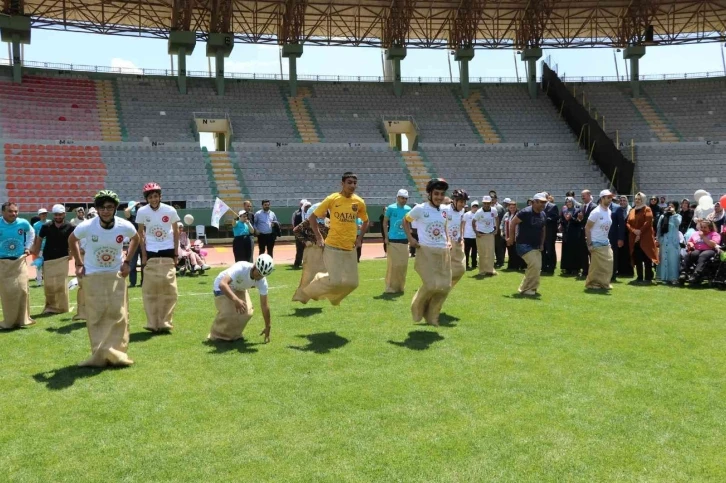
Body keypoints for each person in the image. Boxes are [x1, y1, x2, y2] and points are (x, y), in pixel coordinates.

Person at [68, 190, 139, 367]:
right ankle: (98, 355)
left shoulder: (124, 225)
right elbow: (72, 240)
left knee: (118, 314)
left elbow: (136, 239)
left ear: (115, 208)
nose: (106, 211)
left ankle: (118, 355)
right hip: (92, 274)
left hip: (115, 273)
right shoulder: (87, 225)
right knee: (96, 315)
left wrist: (127, 261)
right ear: (97, 209)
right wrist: (78, 263)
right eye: (102, 207)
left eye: (109, 207)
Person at [303, 172, 369, 306]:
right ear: (342, 184)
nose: (353, 185)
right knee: (335, 281)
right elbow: (312, 217)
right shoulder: (332, 199)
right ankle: (312, 288)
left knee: (353, 283)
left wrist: (359, 238)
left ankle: (333, 297)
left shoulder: (359, 202)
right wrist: (319, 237)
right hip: (332, 246)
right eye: (349, 182)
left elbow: (366, 221)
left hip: (350, 248)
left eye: (355, 183)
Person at [404, 178, 452, 326]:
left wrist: (448, 240)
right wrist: (411, 239)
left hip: (443, 251)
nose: (439, 197)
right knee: (431, 285)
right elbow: (405, 221)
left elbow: (445, 227)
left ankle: (432, 317)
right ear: (429, 194)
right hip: (426, 251)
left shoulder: (445, 210)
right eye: (436, 193)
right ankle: (417, 307)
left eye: (442, 194)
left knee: (445, 286)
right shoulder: (420, 208)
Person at [136, 182, 181, 332]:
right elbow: (140, 234)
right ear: (147, 198)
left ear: (160, 196)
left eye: (156, 196)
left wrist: (176, 252)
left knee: (169, 288)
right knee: (150, 288)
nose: (153, 199)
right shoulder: (142, 212)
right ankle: (152, 322)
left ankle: (165, 322)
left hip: (167, 249)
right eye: (150, 197)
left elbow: (176, 233)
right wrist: (143, 255)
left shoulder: (170, 210)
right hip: (151, 251)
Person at [209, 255, 274, 343]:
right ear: (254, 266)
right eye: (258, 274)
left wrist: (268, 326)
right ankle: (215, 336)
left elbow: (264, 305)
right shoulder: (241, 267)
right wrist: (236, 300)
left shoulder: (262, 281)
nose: (259, 277)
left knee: (247, 313)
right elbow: (223, 284)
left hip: (239, 288)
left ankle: (235, 335)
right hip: (221, 287)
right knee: (229, 313)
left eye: (262, 275)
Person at [30, 204, 74, 315]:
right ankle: (50, 307)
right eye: (56, 215)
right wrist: (36, 253)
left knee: (61, 284)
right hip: (48, 257)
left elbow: (74, 241)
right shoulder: (46, 226)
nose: (58, 217)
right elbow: (39, 239)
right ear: (53, 215)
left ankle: (63, 307)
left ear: (64, 214)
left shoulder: (71, 226)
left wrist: (71, 253)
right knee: (49, 284)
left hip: (63, 257)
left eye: (60, 214)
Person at [0, 202, 36, 330]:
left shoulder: (23, 223)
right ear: (3, 212)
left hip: (19, 261)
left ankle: (23, 320)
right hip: (3, 262)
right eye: (10, 211)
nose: (14, 214)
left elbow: (31, 233)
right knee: (7, 292)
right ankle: (9, 321)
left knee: (22, 290)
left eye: (15, 211)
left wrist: (27, 247)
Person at [507, 192, 547, 295]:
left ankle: (526, 288)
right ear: (534, 202)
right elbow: (513, 223)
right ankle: (529, 289)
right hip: (523, 245)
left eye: (544, 202)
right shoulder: (525, 212)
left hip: (536, 245)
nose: (543, 204)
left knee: (535, 267)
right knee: (535, 265)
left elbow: (543, 229)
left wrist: (542, 243)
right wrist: (511, 238)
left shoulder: (543, 214)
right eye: (541, 202)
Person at [292, 203, 330, 303]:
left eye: (326, 211)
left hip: (324, 251)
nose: (325, 212)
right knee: (309, 275)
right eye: (323, 210)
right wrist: (305, 241)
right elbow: (296, 230)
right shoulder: (309, 221)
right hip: (312, 250)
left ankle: (316, 294)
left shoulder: (328, 222)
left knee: (323, 273)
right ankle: (302, 296)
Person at [584, 190, 615, 290]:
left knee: (608, 264)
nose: (610, 200)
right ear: (602, 198)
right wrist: (589, 244)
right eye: (608, 197)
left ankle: (604, 283)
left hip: (605, 241)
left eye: (611, 198)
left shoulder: (609, 211)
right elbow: (587, 228)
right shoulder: (596, 212)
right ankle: (592, 283)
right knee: (596, 266)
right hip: (596, 241)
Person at [383, 189, 412, 293]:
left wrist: (410, 236)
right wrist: (386, 237)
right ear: (397, 197)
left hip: (404, 240)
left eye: (406, 198)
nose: (404, 200)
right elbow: (385, 222)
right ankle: (390, 287)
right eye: (402, 198)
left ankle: (400, 287)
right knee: (393, 265)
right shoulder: (391, 208)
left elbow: (408, 223)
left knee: (403, 265)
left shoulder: (408, 209)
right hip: (393, 240)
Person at [627, 192, 659, 284]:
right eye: (636, 199)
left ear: (643, 200)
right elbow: (628, 223)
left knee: (647, 256)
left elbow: (648, 222)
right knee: (637, 257)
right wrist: (634, 231)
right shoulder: (632, 210)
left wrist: (639, 232)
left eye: (639, 199)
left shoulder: (647, 209)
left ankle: (648, 277)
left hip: (645, 238)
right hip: (634, 238)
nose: (637, 201)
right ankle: (639, 277)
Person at [683, 219, 721, 284]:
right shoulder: (696, 233)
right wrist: (690, 244)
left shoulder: (714, 234)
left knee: (703, 255)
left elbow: (712, 245)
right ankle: (683, 272)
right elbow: (690, 241)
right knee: (690, 255)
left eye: (705, 227)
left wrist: (703, 236)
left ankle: (696, 274)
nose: (703, 229)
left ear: (710, 228)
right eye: (701, 227)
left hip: (710, 250)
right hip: (698, 250)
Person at [444, 189, 468, 286]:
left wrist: (461, 236)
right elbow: (443, 225)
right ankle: (443, 284)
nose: (463, 204)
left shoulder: (462, 211)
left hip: (457, 242)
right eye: (461, 201)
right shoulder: (445, 209)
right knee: (444, 266)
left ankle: (447, 283)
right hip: (446, 243)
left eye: (464, 202)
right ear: (454, 200)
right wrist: (448, 240)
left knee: (461, 268)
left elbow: (460, 224)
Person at [656, 201, 682, 284]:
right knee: (664, 259)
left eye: (672, 206)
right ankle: (663, 277)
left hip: (673, 241)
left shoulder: (678, 216)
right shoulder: (663, 216)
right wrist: (658, 239)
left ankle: (673, 278)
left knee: (673, 260)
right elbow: (659, 228)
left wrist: (674, 214)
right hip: (664, 240)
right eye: (669, 206)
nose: (670, 208)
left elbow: (678, 223)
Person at [472, 195, 499, 276]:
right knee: (482, 253)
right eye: (485, 203)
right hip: (481, 234)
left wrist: (496, 229)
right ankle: (482, 270)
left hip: (490, 234)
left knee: (490, 253)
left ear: (491, 203)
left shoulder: (493, 210)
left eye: (488, 203)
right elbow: (473, 222)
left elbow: (497, 218)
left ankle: (490, 270)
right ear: (483, 203)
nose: (487, 205)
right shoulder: (479, 212)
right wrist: (476, 232)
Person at [559, 197, 582, 276]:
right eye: (567, 202)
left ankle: (575, 268)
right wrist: (563, 221)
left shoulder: (577, 210)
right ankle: (567, 268)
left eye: (570, 202)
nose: (568, 203)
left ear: (573, 203)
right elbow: (561, 220)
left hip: (574, 234)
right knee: (566, 251)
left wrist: (570, 218)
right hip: (566, 234)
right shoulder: (564, 211)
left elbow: (578, 222)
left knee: (574, 251)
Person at [576, 190, 596, 277]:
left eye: (584, 195)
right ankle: (585, 271)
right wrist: (579, 219)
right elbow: (579, 219)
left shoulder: (594, 207)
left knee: (591, 254)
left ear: (589, 195)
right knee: (583, 253)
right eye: (582, 196)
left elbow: (591, 220)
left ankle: (592, 272)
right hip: (582, 233)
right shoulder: (581, 207)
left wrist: (582, 218)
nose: (582, 197)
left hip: (591, 234)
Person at [123, 201, 143, 288]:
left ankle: (144, 282)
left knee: (144, 264)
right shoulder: (133, 218)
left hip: (144, 243)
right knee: (132, 263)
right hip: (134, 243)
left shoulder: (146, 219)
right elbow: (126, 211)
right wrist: (134, 204)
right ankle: (132, 282)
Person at [608, 193, 627, 282]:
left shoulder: (617, 208)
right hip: (602, 236)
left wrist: (620, 238)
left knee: (613, 256)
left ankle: (612, 275)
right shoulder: (600, 208)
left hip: (613, 237)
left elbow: (621, 224)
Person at [501, 200, 524, 271]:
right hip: (507, 236)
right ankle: (511, 266)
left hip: (517, 236)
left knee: (516, 252)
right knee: (510, 251)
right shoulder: (506, 215)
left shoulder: (519, 214)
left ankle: (518, 266)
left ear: (516, 207)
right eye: (511, 207)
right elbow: (502, 224)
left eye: (514, 207)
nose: (512, 209)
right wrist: (502, 232)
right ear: (508, 207)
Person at [542, 193, 560, 274]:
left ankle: (551, 267)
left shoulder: (553, 206)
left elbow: (556, 217)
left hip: (550, 233)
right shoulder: (540, 206)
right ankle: (544, 266)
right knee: (542, 249)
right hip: (541, 232)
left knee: (550, 250)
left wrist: (546, 219)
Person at [32, 208, 48, 286]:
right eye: (42, 214)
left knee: (48, 265)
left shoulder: (50, 223)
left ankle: (47, 281)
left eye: (45, 213)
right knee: (39, 265)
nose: (43, 215)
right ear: (39, 215)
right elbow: (35, 237)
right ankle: (39, 282)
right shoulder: (36, 225)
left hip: (49, 248)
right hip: (40, 248)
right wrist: (35, 248)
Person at [490, 191, 506, 268]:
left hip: (498, 230)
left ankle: (500, 261)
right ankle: (494, 261)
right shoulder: (487, 207)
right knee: (492, 247)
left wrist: (501, 230)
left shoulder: (499, 207)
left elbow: (502, 219)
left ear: (496, 199)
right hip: (489, 230)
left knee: (499, 247)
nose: (492, 200)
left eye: (493, 198)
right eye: (491, 199)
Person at [292, 199, 308, 268]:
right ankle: (297, 263)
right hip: (299, 234)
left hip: (307, 235)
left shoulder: (310, 214)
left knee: (307, 249)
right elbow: (294, 224)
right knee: (299, 249)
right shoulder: (297, 214)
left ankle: (306, 263)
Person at [463, 200, 479, 270]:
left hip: (475, 236)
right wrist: (463, 234)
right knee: (466, 251)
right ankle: (466, 264)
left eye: (476, 207)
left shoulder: (479, 214)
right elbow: (463, 224)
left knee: (474, 251)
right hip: (467, 236)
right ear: (471, 207)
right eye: (474, 206)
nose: (475, 208)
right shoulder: (466, 214)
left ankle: (474, 264)